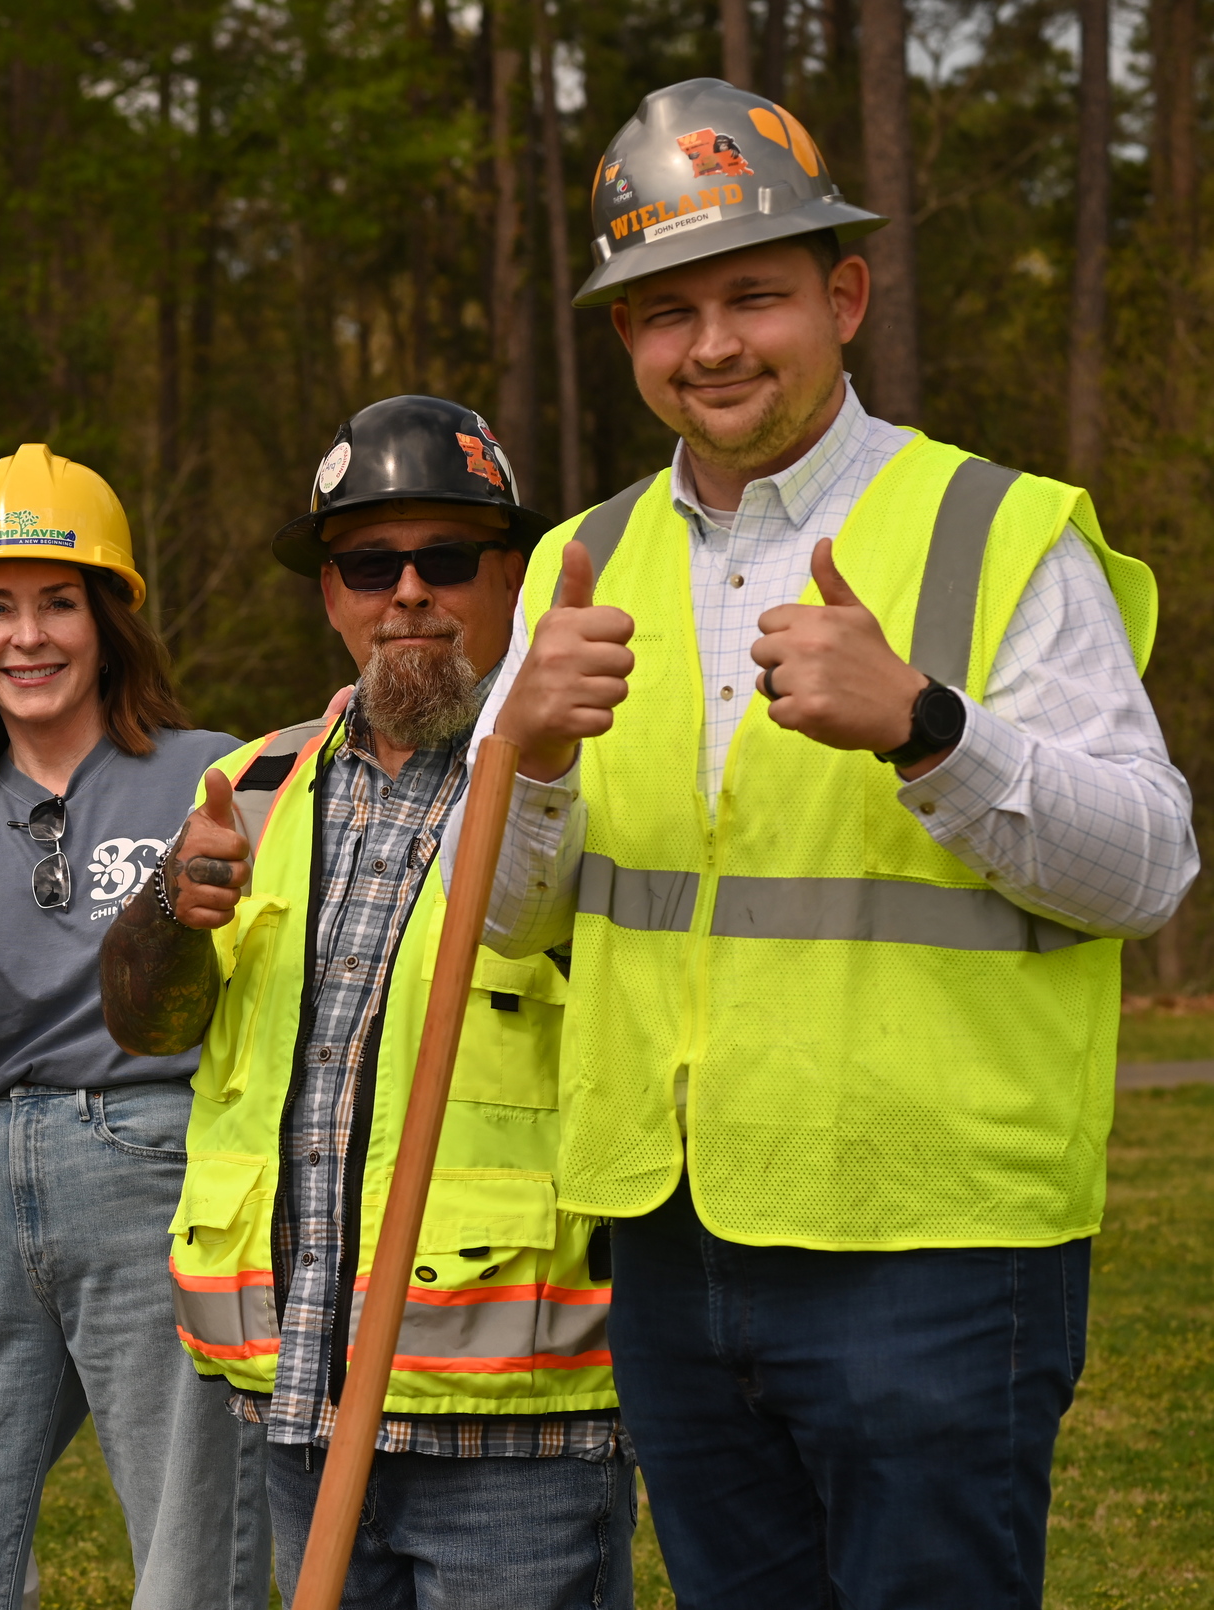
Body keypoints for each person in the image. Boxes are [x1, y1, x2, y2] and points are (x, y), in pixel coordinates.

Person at [481, 78, 1197, 1608]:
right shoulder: (572, 563)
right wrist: (526, 764)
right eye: (666, 312)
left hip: (933, 1247)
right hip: (669, 1238)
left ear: (843, 297)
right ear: (625, 340)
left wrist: (928, 729)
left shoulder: (995, 528)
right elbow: (505, 919)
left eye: (752, 295)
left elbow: (1146, 868)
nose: (712, 344)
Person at [99, 399, 629, 1608]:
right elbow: (151, 1025)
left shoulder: (580, 776)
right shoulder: (249, 783)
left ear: (512, 577)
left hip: (512, 1415)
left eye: (446, 557)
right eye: (368, 564)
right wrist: (168, 912)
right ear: (329, 594)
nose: (408, 592)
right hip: (299, 1394)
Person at [0, 445, 268, 1610]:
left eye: (57, 603)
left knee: (188, 1559)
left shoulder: (210, 777)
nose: (26, 636)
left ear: (107, 621)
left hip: (153, 1171)